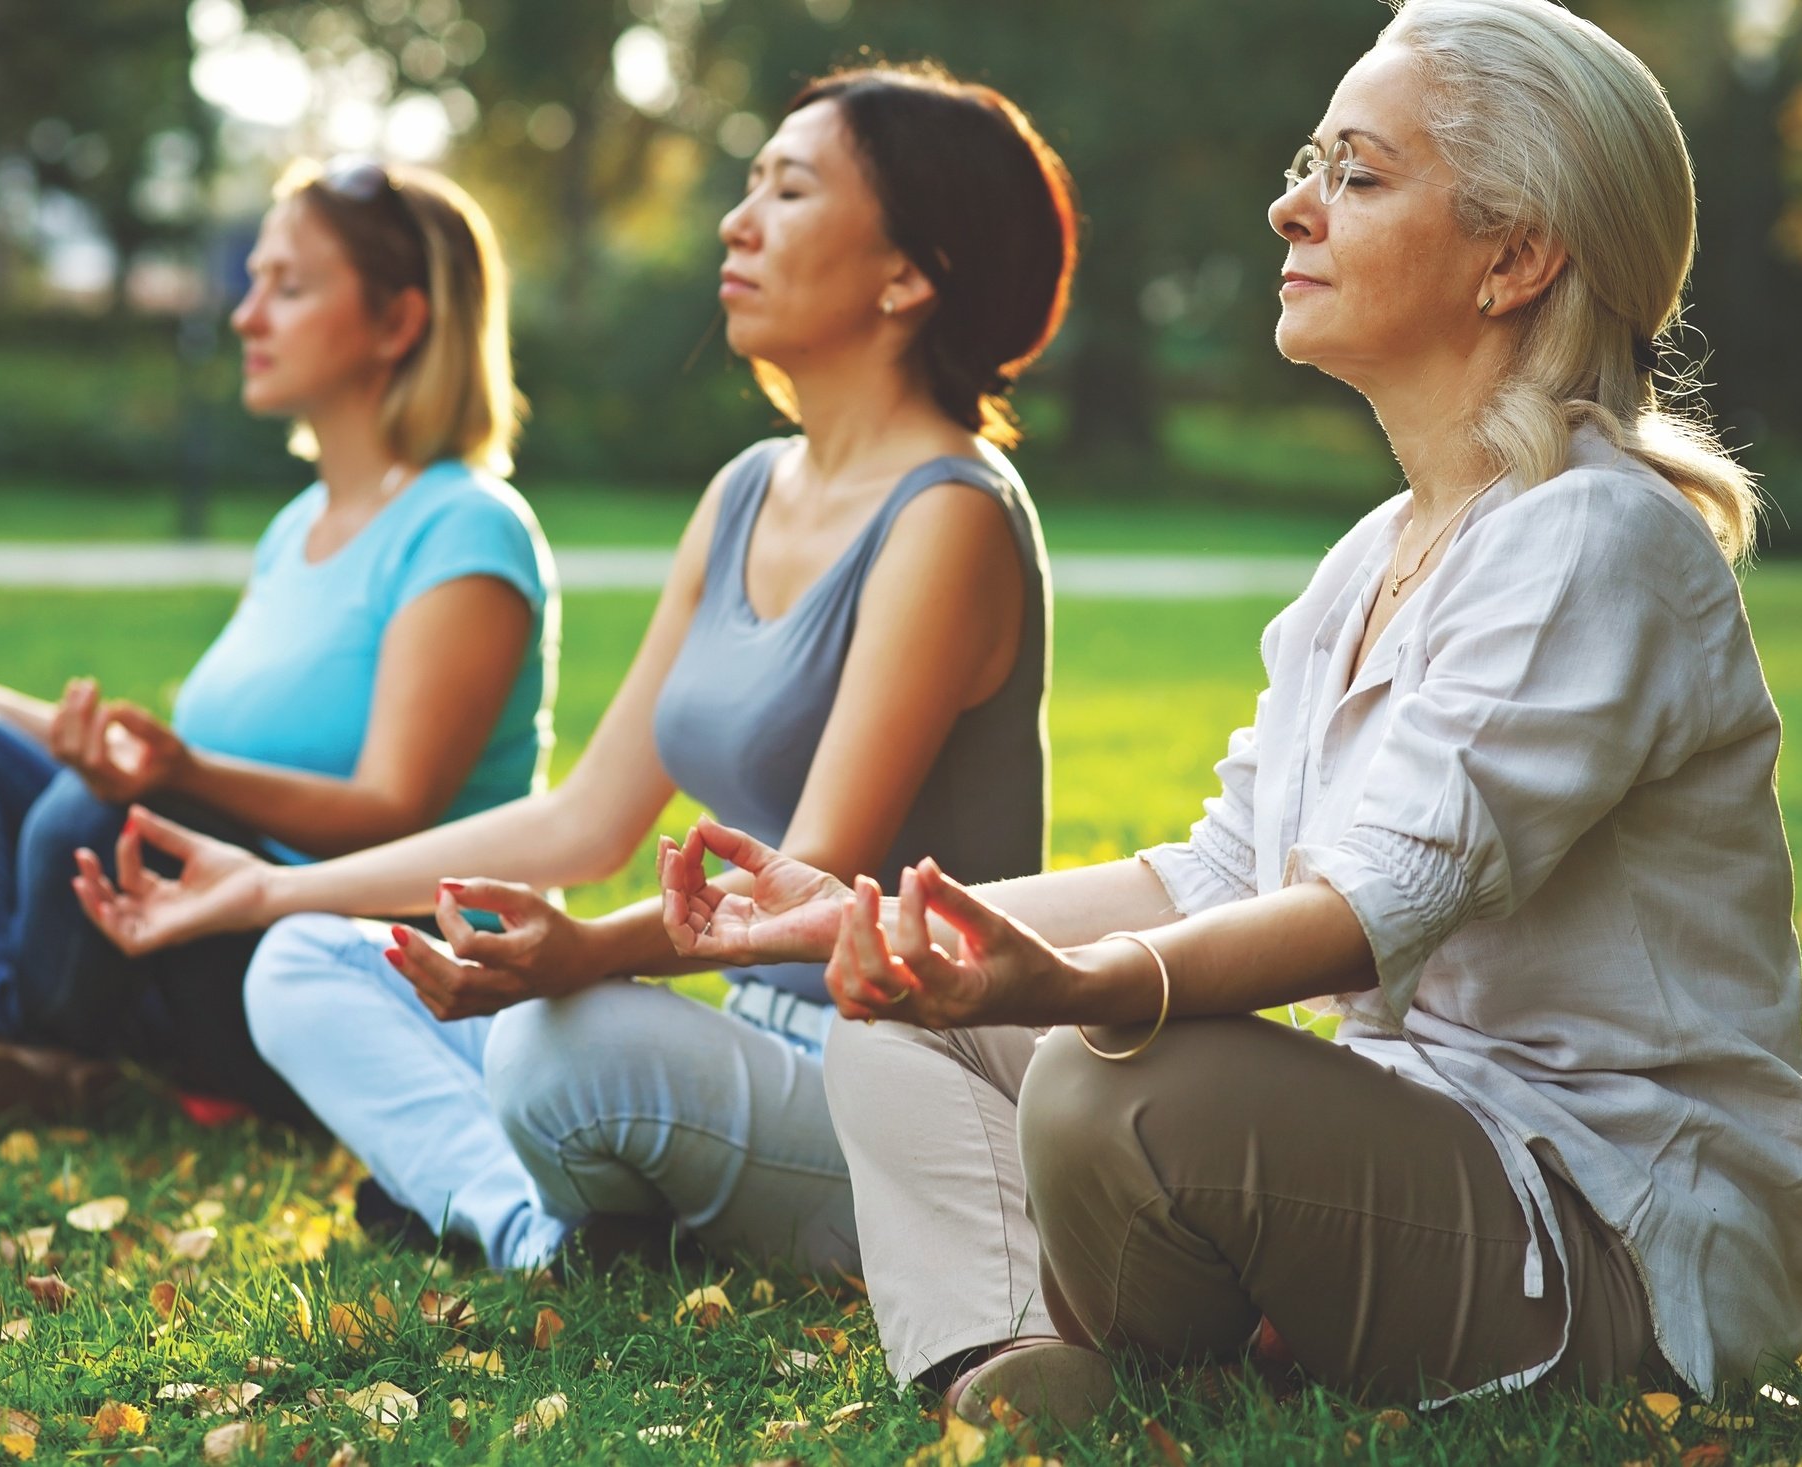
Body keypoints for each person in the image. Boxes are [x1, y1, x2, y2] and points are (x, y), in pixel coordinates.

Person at [658, 0, 1802, 1426]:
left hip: (1603, 1234)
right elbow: (1222, 869)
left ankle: (1181, 1340)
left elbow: (1367, 903)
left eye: (1357, 174)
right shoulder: (1376, 552)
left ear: (1515, 257)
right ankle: (1013, 1360)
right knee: (898, 1020)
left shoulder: (1597, 538)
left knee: (1114, 1084)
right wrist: (906, 925)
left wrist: (1079, 988)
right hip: (1420, 1155)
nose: (1291, 207)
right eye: (1308, 164)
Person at [68, 63, 1080, 1273]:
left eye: (791, 190)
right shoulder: (747, 491)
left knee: (568, 1045)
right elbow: (586, 819)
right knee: (306, 962)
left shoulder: (950, 519)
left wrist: (585, 955)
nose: (736, 219)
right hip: (737, 1053)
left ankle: (520, 1193)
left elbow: (801, 895)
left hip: (893, 1098)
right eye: (748, 181)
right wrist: (266, 890)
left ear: (908, 274)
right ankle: (533, 1224)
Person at [0, 159, 554, 1130]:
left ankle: (22, 1029)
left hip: (343, 961)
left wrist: (182, 774)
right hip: (203, 917)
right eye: (254, 282)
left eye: (287, 288)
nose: (247, 315)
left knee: (105, 809)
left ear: (398, 323)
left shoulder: (466, 529)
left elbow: (397, 809)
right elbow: (156, 768)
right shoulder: (297, 529)